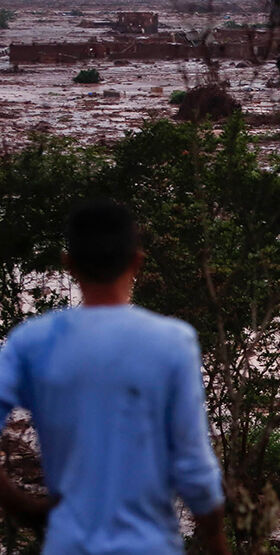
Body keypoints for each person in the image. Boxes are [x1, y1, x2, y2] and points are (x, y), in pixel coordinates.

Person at [0, 198, 228, 553]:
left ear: (69, 264)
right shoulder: (171, 341)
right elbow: (193, 464)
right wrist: (214, 538)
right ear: (137, 261)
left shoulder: (31, 341)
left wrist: (21, 505)